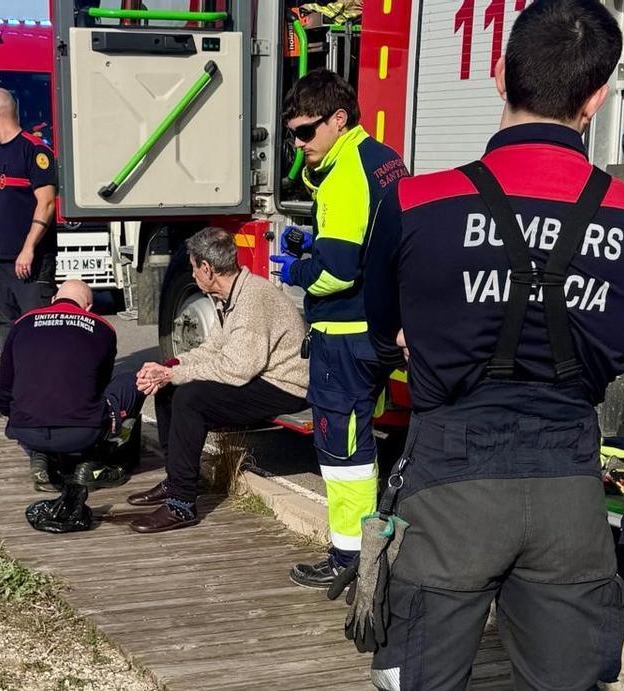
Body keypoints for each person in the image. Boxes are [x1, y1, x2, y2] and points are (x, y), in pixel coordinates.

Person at [358, 1, 624, 688]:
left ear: (499, 75)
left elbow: (382, 333)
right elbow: (616, 332)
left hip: (447, 480)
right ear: (597, 96)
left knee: (415, 676)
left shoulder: (414, 202)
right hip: (569, 486)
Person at [269, 68, 407, 589]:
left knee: (343, 449)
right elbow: (371, 238)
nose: (299, 143)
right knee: (364, 440)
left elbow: (337, 272)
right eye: (293, 134)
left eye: (306, 131)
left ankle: (349, 557)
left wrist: (295, 270)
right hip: (381, 328)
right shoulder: (383, 159)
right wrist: (318, 242)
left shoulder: (346, 171)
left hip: (346, 333)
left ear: (339, 118)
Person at [128, 228, 308, 533]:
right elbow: (213, 348)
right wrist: (168, 368)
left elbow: (235, 369)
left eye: (193, 266)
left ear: (207, 269)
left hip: (285, 385)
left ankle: (181, 504)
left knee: (191, 398)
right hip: (262, 375)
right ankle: (179, 479)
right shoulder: (233, 293)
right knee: (170, 390)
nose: (193, 273)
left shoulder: (252, 299)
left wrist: (174, 373)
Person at [0, 279, 140, 492]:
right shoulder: (102, 327)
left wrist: (16, 416)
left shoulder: (23, 323)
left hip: (25, 429)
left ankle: (41, 455)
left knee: (38, 398)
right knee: (134, 381)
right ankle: (95, 463)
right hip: (82, 433)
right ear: (88, 307)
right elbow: (100, 384)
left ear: (53, 300)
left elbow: (4, 389)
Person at [0, 87, 58, 417]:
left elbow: (46, 203)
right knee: (6, 331)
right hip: (1, 262)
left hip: (31, 263)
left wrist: (28, 249)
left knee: (37, 332)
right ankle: (8, 399)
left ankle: (41, 402)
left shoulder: (35, 152)